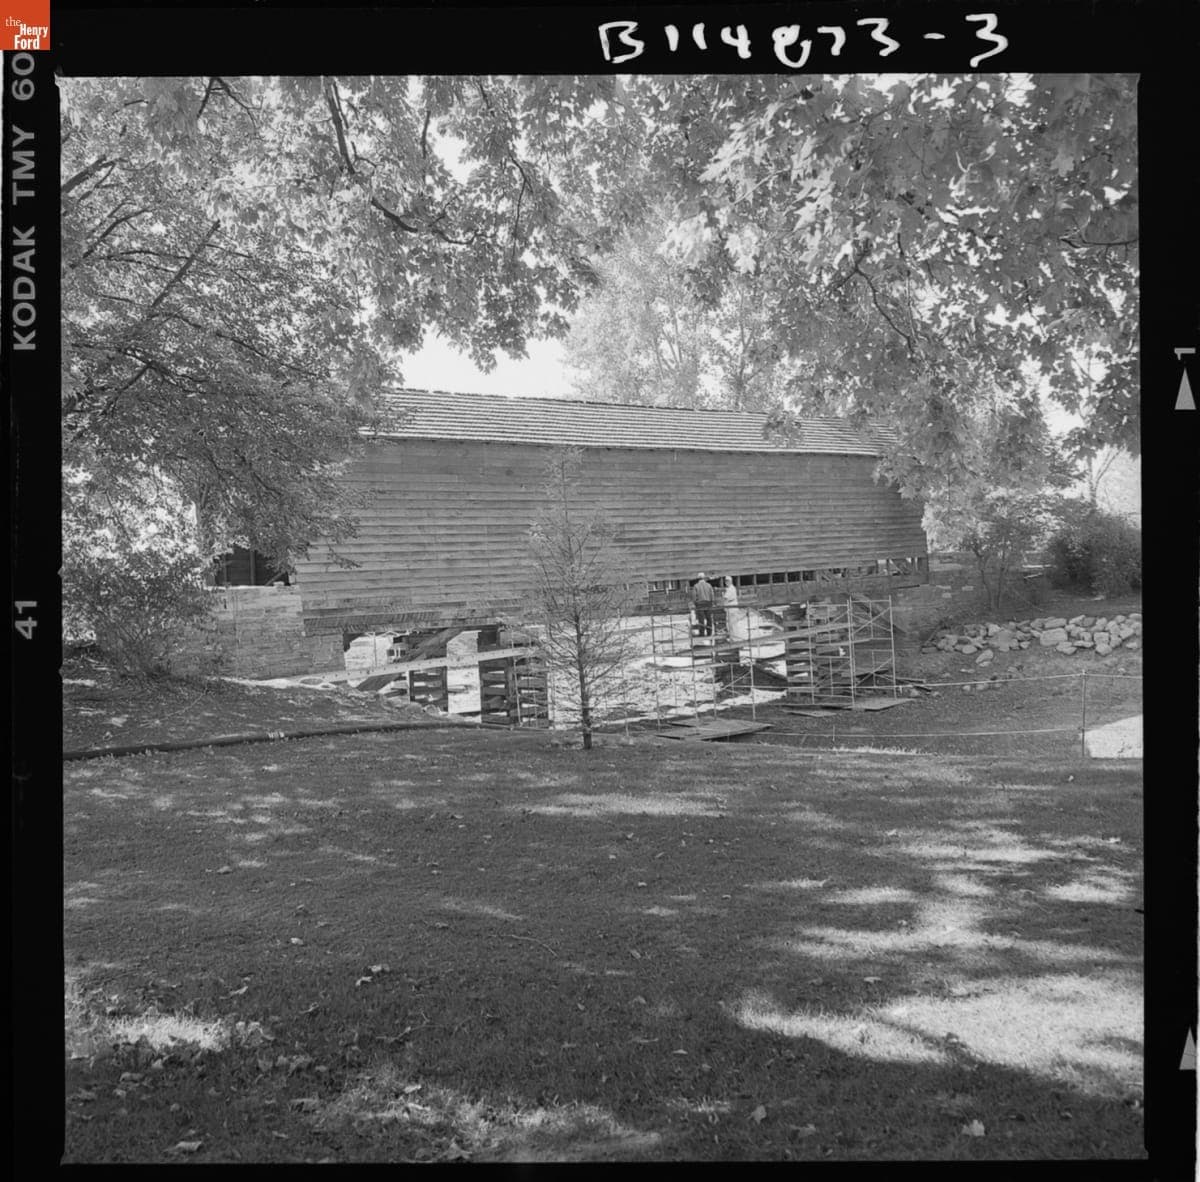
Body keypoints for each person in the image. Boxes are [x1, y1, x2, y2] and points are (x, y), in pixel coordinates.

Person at [692, 572, 715, 637]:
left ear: (698, 578)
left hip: (700, 604)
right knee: (709, 619)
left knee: (701, 619)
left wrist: (695, 603)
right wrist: (712, 602)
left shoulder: (696, 586)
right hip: (708, 603)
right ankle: (709, 633)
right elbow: (712, 595)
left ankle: (702, 634)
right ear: (704, 578)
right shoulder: (709, 585)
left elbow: (694, 597)